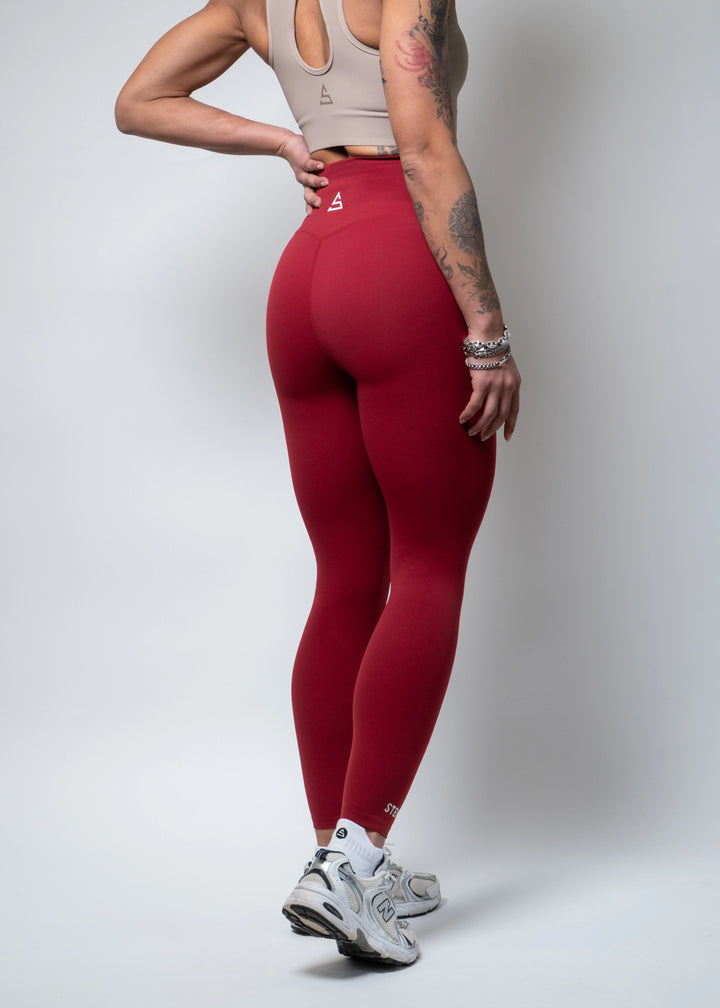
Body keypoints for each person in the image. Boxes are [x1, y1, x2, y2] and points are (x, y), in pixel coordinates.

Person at [116, 0, 521, 967]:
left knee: (345, 578)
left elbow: (139, 100)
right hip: (395, 269)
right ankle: (354, 864)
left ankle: (340, 859)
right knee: (428, 566)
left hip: (306, 274)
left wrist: (282, 140)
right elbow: (425, 151)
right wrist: (486, 330)